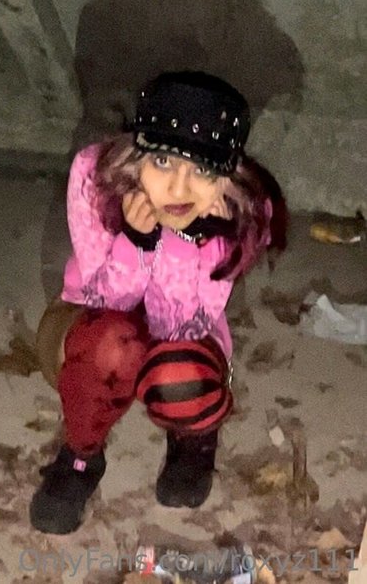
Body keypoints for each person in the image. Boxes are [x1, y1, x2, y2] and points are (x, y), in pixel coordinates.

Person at [30, 70, 287, 535]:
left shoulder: (238, 211)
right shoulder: (95, 177)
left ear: (226, 179)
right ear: (137, 157)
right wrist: (137, 241)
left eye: (202, 171)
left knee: (182, 372)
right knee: (112, 345)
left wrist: (187, 240)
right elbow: (103, 301)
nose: (179, 189)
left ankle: (193, 438)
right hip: (94, 320)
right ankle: (81, 455)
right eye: (164, 162)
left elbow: (183, 324)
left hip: (183, 331)